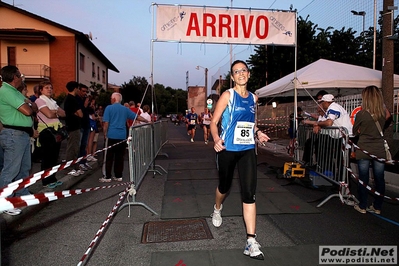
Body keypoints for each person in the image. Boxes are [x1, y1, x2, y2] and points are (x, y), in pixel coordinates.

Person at [210, 60, 270, 260]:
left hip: (247, 150)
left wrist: (259, 132)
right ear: (233, 77)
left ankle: (251, 241)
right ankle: (217, 208)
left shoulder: (253, 98)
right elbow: (214, 122)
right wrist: (217, 139)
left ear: (249, 74)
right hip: (227, 148)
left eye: (243, 70)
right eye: (236, 71)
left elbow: (251, 123)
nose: (241, 74)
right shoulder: (228, 95)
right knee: (224, 187)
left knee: (249, 193)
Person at [0, 65, 39, 215]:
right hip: (13, 135)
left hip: (22, 135)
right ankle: (4, 201)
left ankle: (21, 194)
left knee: (24, 168)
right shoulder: (5, 91)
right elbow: (29, 110)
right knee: (11, 169)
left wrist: (29, 104)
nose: (22, 77)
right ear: (15, 77)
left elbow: (33, 105)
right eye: (20, 75)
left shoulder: (14, 92)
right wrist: (29, 104)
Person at [353, 86, 390, 214]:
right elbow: (388, 120)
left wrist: (362, 130)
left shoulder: (361, 114)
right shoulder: (382, 113)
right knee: (379, 178)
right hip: (379, 149)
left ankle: (362, 206)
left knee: (363, 178)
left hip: (364, 148)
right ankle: (377, 206)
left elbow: (354, 131)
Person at [100, 93, 149, 183]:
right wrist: (147, 120)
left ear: (114, 99)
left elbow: (106, 123)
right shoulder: (125, 109)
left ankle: (107, 176)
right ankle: (118, 175)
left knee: (108, 157)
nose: (110, 99)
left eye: (111, 98)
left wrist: (105, 133)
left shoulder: (109, 108)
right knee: (120, 157)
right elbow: (137, 117)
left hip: (111, 135)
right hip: (122, 135)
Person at [35, 81, 66, 188]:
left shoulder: (52, 101)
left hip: (55, 131)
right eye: (46, 87)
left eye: (51, 88)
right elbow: (48, 114)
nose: (49, 89)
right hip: (46, 131)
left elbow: (63, 113)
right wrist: (55, 111)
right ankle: (46, 181)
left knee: (54, 157)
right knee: (47, 157)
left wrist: (54, 111)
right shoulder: (40, 100)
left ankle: (53, 178)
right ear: (41, 90)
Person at [64, 81, 84, 176]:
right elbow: (80, 114)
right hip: (73, 126)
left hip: (73, 125)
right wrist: (77, 114)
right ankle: (70, 167)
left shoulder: (69, 99)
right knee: (73, 147)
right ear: (75, 88)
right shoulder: (72, 99)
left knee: (75, 147)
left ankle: (74, 166)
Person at [77, 83, 91, 172]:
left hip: (86, 125)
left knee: (84, 145)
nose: (85, 93)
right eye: (83, 91)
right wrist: (85, 105)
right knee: (79, 145)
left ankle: (83, 161)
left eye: (86, 91)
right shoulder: (77, 100)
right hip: (80, 125)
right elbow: (80, 113)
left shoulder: (85, 100)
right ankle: (79, 163)